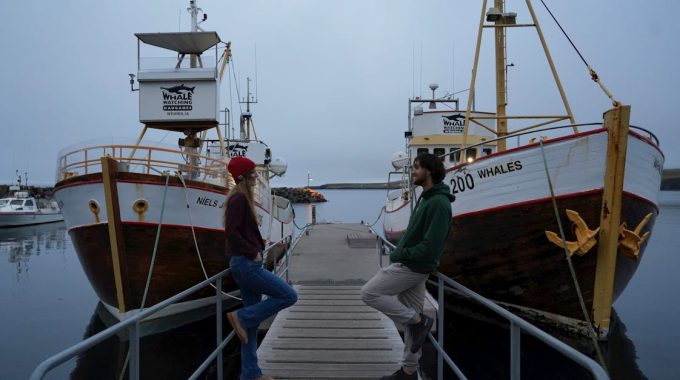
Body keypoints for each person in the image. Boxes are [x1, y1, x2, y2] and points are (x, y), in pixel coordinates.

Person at [361, 153, 455, 380]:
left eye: (416, 168)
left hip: (411, 267)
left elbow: (431, 247)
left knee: (369, 293)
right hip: (415, 267)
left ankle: (418, 321)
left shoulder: (439, 204)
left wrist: (401, 253)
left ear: (429, 171)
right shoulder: (427, 198)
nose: (412, 172)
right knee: (413, 324)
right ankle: (409, 371)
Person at [224, 156, 298, 380]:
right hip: (247, 264)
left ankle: (251, 374)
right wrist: (252, 251)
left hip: (245, 263)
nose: (257, 176)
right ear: (243, 177)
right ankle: (241, 316)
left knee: (251, 328)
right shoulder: (238, 199)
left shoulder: (241, 198)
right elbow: (232, 232)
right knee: (288, 295)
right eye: (253, 173)